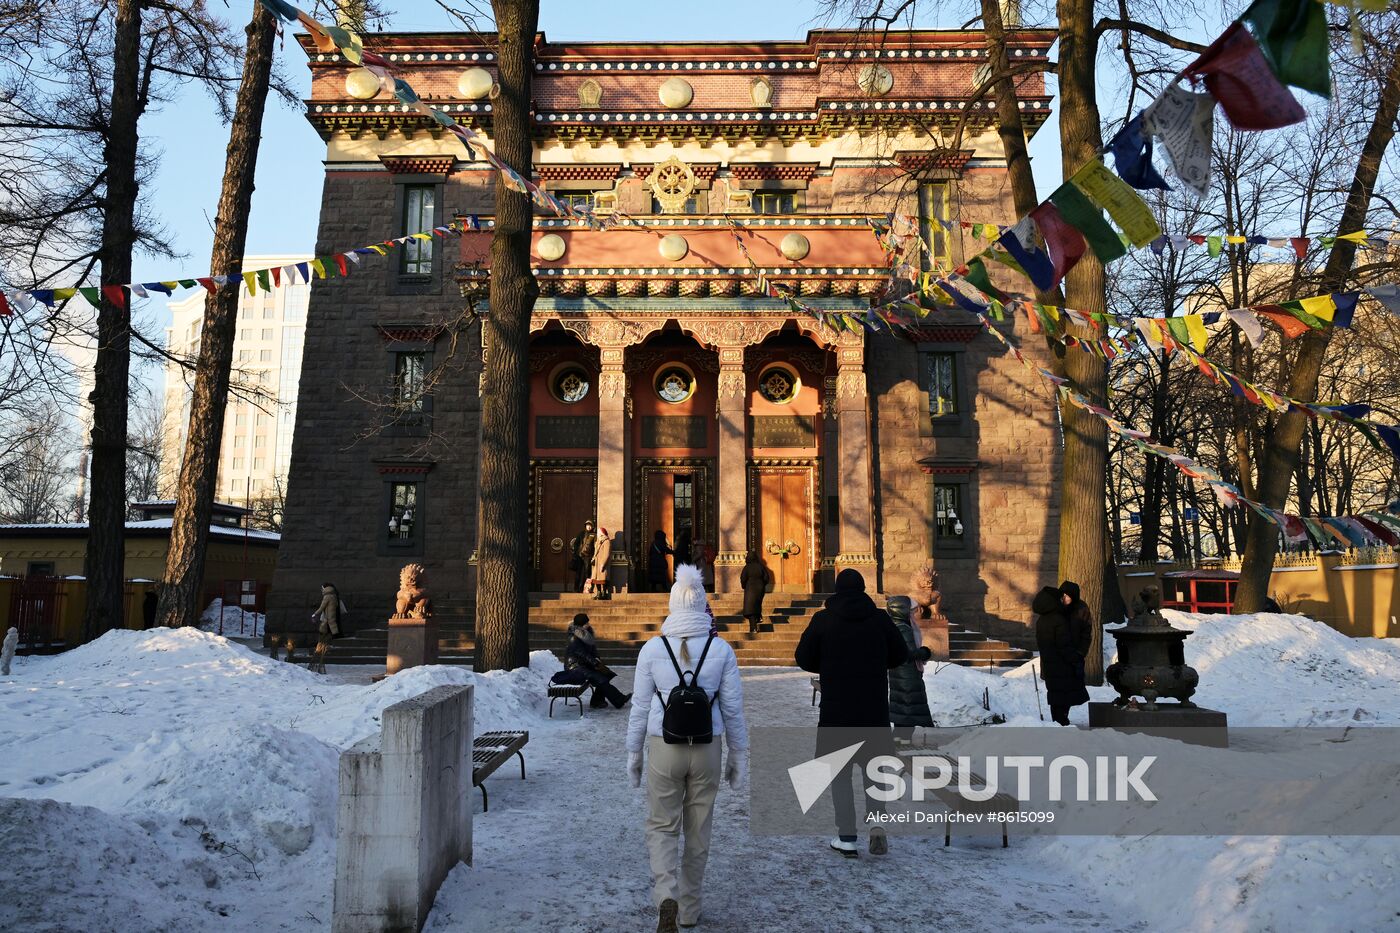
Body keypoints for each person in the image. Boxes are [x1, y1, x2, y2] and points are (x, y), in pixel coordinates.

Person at [627, 564, 748, 933]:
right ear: (703, 605)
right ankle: (690, 908)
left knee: (662, 825)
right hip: (707, 745)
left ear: (672, 603)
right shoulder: (721, 648)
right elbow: (732, 708)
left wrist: (633, 754)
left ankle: (667, 894)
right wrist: (739, 755)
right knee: (698, 830)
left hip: (664, 745)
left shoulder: (652, 648)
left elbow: (640, 706)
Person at [795, 568, 908, 858]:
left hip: (837, 712)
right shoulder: (880, 619)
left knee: (840, 776)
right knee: (875, 773)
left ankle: (846, 838)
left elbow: (803, 657)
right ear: (863, 589)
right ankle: (878, 825)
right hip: (873, 711)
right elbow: (899, 655)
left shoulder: (824, 620)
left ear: (837, 590)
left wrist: (828, 663)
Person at [1033, 584, 1090, 725]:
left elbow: (1085, 633)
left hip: (1055, 662)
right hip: (1063, 662)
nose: (1064, 598)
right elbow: (1062, 643)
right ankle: (1060, 721)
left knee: (1058, 694)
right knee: (1061, 695)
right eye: (1062, 595)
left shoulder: (1045, 618)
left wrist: (1080, 652)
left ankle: (1059, 720)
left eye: (1067, 595)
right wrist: (1074, 658)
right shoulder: (1057, 618)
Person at [553, 613, 630, 709]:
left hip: (584, 664)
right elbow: (581, 653)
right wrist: (594, 663)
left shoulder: (586, 634)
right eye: (586, 623)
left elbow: (592, 650)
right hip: (575, 667)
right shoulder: (574, 637)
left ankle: (597, 701)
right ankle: (619, 700)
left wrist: (598, 661)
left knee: (606, 674)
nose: (588, 624)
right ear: (581, 624)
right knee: (599, 678)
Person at [886, 595, 934, 740]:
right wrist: (924, 652)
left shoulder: (896, 626)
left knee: (904, 717)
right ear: (902, 611)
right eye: (912, 611)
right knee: (908, 717)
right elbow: (906, 654)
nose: (915, 613)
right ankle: (900, 745)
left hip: (901, 676)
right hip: (907, 678)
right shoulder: (904, 629)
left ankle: (899, 743)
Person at [739, 551, 771, 634]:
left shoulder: (747, 567)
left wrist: (744, 586)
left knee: (751, 609)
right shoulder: (761, 567)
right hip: (760, 588)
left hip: (750, 588)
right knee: (757, 604)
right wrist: (762, 584)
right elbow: (766, 578)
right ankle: (758, 617)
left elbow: (743, 579)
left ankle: (753, 628)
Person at [586, 527, 614, 599]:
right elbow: (596, 552)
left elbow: (606, 554)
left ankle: (604, 593)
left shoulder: (607, 541)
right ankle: (599, 593)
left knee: (603, 579)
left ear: (602, 533)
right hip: (596, 563)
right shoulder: (598, 541)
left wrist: (603, 564)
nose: (597, 534)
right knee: (595, 579)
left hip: (602, 563)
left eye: (599, 533)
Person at [569, 521, 597, 592]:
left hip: (588, 557)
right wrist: (576, 553)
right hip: (579, 556)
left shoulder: (593, 535)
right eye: (587, 525)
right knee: (578, 572)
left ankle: (585, 588)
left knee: (587, 572)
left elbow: (595, 546)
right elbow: (576, 544)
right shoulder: (581, 534)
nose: (589, 527)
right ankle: (576, 588)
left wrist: (593, 556)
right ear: (585, 526)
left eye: (590, 525)